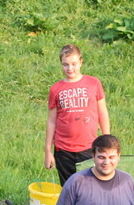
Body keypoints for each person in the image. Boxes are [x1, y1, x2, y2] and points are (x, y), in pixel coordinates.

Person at [45, 44, 110, 186]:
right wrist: (48, 151)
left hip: (88, 148)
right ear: (61, 64)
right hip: (63, 151)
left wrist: (107, 141)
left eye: (74, 64)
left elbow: (102, 112)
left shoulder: (93, 83)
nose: (70, 69)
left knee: (90, 188)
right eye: (65, 65)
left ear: (81, 62)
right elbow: (51, 121)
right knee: (69, 189)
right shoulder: (56, 89)